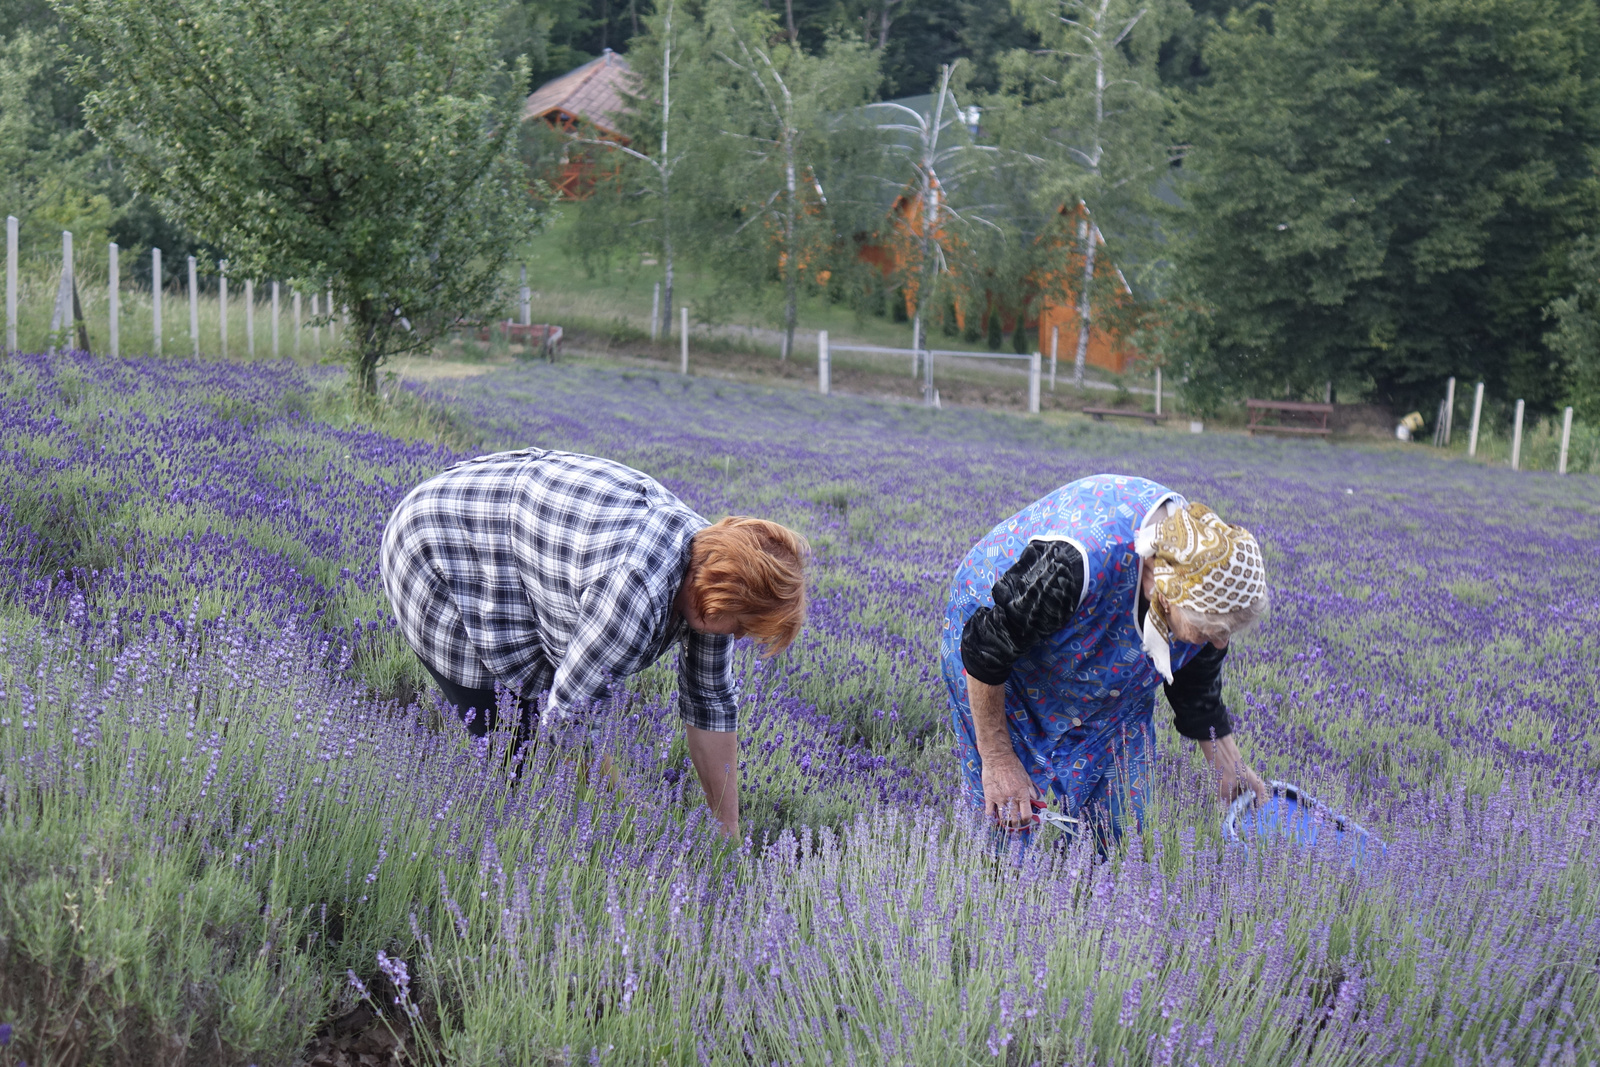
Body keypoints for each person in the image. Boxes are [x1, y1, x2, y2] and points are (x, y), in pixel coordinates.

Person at [381, 448, 808, 839]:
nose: (738, 637)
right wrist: (637, 821)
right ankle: (483, 851)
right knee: (515, 755)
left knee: (541, 738)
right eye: (743, 625)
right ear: (720, 595)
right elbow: (568, 726)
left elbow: (711, 702)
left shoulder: (711, 570)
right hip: (437, 544)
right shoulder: (633, 594)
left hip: (516, 536)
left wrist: (727, 830)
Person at [941, 473, 1270, 847]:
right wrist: (998, 758)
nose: (1220, 640)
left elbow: (1195, 681)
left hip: (1110, 674)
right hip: (1002, 657)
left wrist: (1230, 765)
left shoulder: (1203, 577)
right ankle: (999, 889)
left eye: (1228, 630)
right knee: (1011, 815)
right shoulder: (1075, 563)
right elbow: (987, 646)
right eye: (1210, 628)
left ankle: (1094, 890)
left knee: (1121, 828)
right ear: (1159, 588)